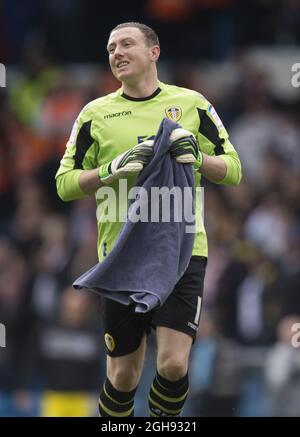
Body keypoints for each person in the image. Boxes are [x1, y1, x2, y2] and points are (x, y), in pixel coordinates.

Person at [55, 22, 242, 417]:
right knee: (124, 376)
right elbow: (64, 184)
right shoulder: (95, 114)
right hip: (122, 254)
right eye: (110, 48)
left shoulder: (192, 104)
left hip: (182, 248)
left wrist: (198, 156)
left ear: (154, 52)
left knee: (173, 364)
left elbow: (234, 168)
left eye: (126, 44)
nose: (116, 53)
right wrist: (112, 169)